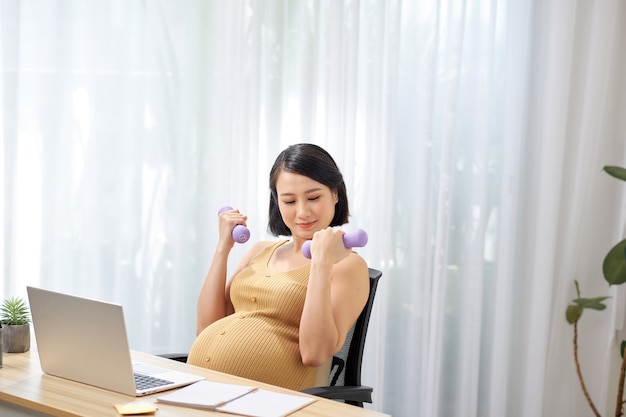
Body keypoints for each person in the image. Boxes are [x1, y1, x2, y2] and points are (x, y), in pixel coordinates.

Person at [187, 143, 370, 391]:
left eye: (314, 197)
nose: (302, 212)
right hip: (201, 388)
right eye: (289, 201)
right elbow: (206, 327)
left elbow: (314, 353)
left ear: (335, 194)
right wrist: (223, 248)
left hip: (265, 402)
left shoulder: (348, 265)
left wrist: (321, 263)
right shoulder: (260, 250)